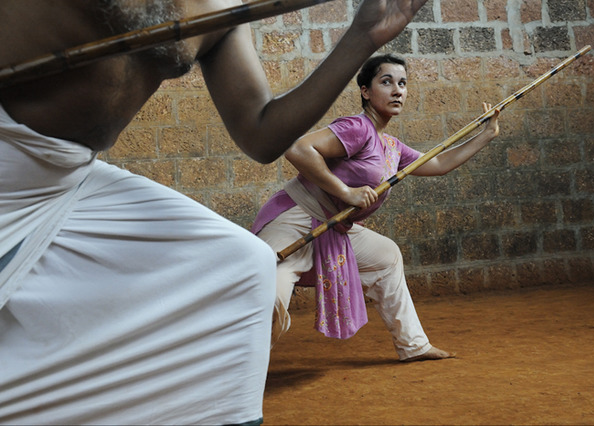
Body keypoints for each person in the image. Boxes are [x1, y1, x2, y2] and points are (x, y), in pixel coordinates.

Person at [0, 1, 429, 424]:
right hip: (7, 157)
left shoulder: (224, 9)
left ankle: (229, 417)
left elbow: (262, 135)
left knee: (244, 265)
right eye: (387, 82)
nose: (397, 90)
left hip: (71, 173)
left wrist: (363, 36)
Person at [252, 54, 500, 361]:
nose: (397, 90)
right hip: (296, 218)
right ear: (365, 91)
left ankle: (413, 345)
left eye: (403, 84)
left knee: (386, 256)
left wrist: (485, 135)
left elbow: (437, 163)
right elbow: (298, 147)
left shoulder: (391, 147)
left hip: (334, 227)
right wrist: (346, 192)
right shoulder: (358, 128)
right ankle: (235, 371)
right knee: (268, 293)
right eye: (387, 82)